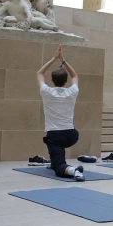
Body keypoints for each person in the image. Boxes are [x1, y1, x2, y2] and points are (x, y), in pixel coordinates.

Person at [37, 45, 84, 182]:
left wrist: (53, 59)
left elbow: (39, 73)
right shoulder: (72, 91)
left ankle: (74, 171)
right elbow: (75, 75)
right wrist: (63, 60)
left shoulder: (47, 91)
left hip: (56, 136)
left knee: (59, 168)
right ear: (66, 81)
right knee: (55, 147)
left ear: (52, 80)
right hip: (72, 135)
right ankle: (54, 161)